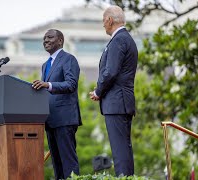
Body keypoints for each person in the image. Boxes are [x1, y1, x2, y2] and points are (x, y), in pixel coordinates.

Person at [89, 5, 138, 177]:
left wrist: (98, 91)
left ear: (109, 20)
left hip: (117, 102)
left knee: (119, 150)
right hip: (122, 101)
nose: (103, 25)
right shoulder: (127, 39)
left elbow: (110, 71)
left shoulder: (118, 40)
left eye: (103, 21)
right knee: (123, 148)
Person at [32, 29, 81, 179]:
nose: (45, 40)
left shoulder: (68, 59)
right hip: (50, 120)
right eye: (44, 38)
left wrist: (48, 85)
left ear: (60, 41)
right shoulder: (45, 65)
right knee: (57, 165)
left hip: (65, 118)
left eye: (50, 37)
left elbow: (71, 84)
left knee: (68, 163)